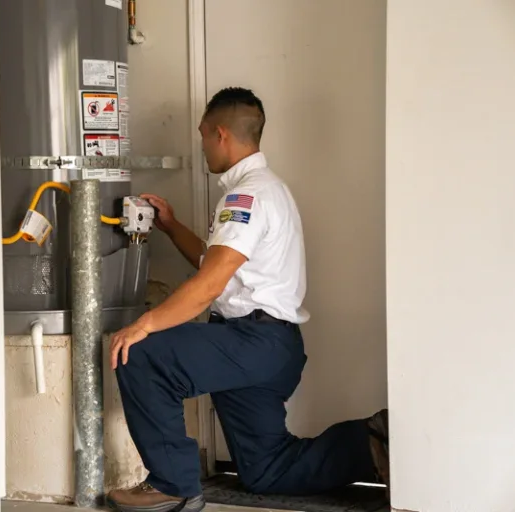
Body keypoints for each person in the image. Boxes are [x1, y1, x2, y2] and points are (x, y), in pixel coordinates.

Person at [106, 87, 389, 512]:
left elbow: (209, 285)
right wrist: (171, 226)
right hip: (272, 346)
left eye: (202, 135)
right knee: (266, 470)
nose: (201, 145)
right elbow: (215, 261)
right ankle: (373, 441)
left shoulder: (245, 196)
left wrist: (144, 325)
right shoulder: (268, 189)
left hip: (252, 342)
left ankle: (173, 485)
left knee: (141, 352)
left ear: (220, 134)